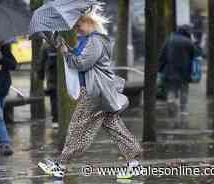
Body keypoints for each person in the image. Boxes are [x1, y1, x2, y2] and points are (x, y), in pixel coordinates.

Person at [38, 5, 143, 180]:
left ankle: (61, 166)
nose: (76, 29)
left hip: (95, 93)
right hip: (101, 92)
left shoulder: (95, 41)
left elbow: (81, 63)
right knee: (114, 127)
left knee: (77, 127)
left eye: (78, 26)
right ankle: (134, 164)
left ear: (89, 22)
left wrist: (66, 52)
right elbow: (81, 59)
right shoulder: (94, 40)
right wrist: (66, 50)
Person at [159, 25, 196, 116]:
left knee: (171, 89)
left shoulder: (169, 40)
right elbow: (193, 56)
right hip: (184, 71)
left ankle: (171, 103)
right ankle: (183, 110)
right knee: (184, 90)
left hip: (170, 70)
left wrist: (160, 69)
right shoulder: (188, 42)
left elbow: (162, 56)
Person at [38, 42, 59, 125]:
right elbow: (41, 63)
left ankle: (56, 120)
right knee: (54, 98)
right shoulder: (47, 46)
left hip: (52, 78)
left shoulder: (46, 45)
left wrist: (41, 76)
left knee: (54, 99)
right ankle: (56, 119)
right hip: (54, 78)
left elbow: (41, 63)